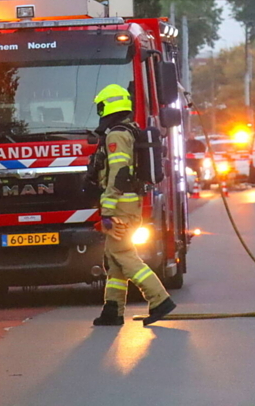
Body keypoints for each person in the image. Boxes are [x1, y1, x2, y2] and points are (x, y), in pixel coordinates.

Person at [89, 84, 176, 328]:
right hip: (128, 204)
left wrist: (107, 210)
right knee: (114, 257)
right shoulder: (131, 130)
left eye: (101, 107)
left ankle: (159, 299)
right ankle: (112, 309)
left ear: (107, 106)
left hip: (120, 207)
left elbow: (118, 174)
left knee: (123, 254)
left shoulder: (117, 135)